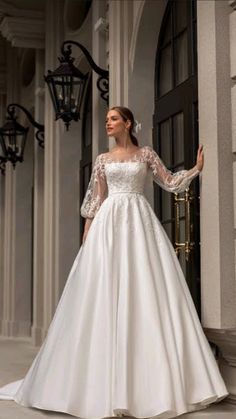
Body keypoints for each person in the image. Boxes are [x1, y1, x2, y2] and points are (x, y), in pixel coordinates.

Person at [0, 106, 229, 418]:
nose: (108, 123)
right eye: (107, 119)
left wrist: (195, 170)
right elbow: (96, 200)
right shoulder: (102, 160)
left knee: (145, 290)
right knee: (103, 293)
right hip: (108, 226)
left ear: (128, 122)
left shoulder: (146, 154)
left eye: (113, 119)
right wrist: (87, 238)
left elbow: (169, 182)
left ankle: (151, 385)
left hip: (139, 224)